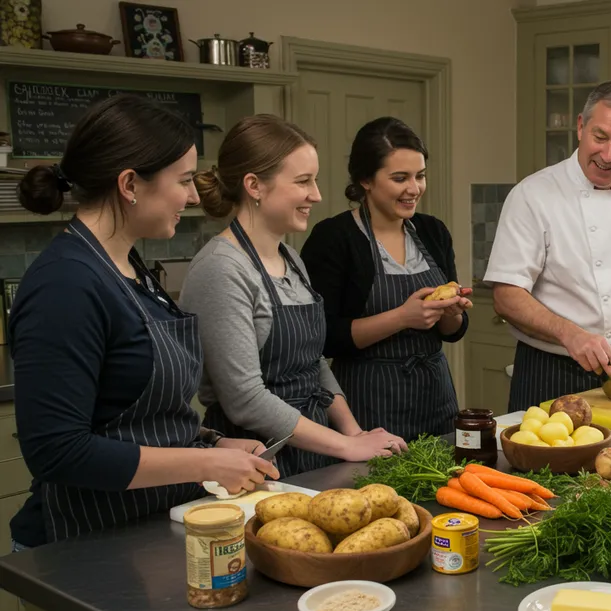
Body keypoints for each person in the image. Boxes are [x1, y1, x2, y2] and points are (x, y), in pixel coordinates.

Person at [8, 95, 278, 549]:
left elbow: (132, 412)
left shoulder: (128, 266)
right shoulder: (66, 285)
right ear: (130, 184)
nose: (193, 196)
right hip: (83, 545)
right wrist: (203, 465)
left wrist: (210, 444)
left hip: (147, 529)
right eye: (184, 180)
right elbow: (57, 451)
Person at [182, 115, 405, 479]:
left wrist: (353, 431)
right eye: (303, 181)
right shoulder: (222, 269)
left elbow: (312, 363)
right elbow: (245, 400)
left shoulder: (290, 257)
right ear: (254, 185)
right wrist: (346, 446)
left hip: (314, 449)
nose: (316, 195)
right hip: (257, 461)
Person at [484, 79, 611, 411]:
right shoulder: (533, 195)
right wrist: (570, 334)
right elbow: (506, 296)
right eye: (600, 137)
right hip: (552, 371)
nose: (608, 155)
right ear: (581, 127)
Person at [301, 118, 470, 437]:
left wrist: (452, 313)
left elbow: (452, 333)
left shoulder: (433, 231)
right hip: (368, 403)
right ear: (366, 179)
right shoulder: (334, 238)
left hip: (436, 398)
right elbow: (324, 338)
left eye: (420, 176)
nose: (414, 188)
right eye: (399, 178)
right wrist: (403, 317)